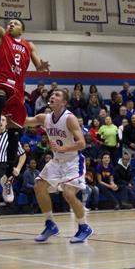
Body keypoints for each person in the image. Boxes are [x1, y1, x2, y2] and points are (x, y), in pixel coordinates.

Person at [0, 0, 50, 167]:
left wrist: (42, 66)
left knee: (13, 137)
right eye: (9, 22)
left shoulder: (29, 44)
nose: (10, 24)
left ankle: (8, 176)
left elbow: (37, 65)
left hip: (18, 90)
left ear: (22, 29)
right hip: (2, 81)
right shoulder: (3, 37)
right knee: (0, 98)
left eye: (15, 23)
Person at [22, 89, 93, 243]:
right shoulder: (45, 118)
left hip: (73, 161)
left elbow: (82, 143)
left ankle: (84, 227)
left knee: (68, 193)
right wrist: (8, 113)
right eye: (52, 94)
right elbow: (25, 121)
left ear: (64, 103)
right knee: (38, 186)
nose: (53, 96)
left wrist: (64, 148)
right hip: (56, 161)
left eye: (57, 95)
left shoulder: (70, 118)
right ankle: (50, 224)